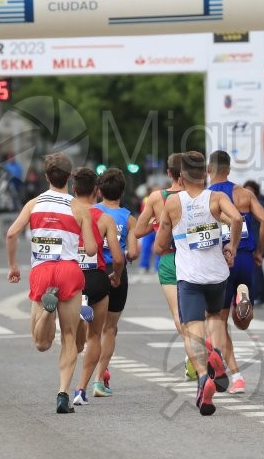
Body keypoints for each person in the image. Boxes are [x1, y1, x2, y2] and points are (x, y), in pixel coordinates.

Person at [5, 152, 98, 414]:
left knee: (41, 343)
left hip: (42, 271)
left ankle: (48, 311)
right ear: (69, 178)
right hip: (69, 271)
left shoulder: (33, 204)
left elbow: (11, 233)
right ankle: (62, 395)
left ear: (46, 177)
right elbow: (91, 249)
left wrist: (13, 266)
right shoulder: (79, 208)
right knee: (69, 338)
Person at [153, 151, 243, 416]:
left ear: (180, 177)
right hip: (217, 275)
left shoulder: (172, 204)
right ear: (205, 173)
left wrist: (169, 239)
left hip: (189, 277)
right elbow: (237, 219)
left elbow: (159, 245)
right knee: (215, 317)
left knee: (192, 328)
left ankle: (204, 376)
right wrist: (232, 247)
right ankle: (216, 352)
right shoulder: (217, 198)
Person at [207, 150, 264, 394]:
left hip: (220, 260)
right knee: (243, 323)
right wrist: (259, 251)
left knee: (219, 322)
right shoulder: (244, 194)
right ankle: (242, 297)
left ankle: (237, 377)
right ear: (229, 169)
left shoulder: (206, 197)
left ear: (208, 170)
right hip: (245, 258)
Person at [134, 154, 194, 378]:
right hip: (196, 258)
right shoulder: (198, 195)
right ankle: (199, 354)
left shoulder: (157, 198)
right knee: (201, 314)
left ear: (169, 173)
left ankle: (193, 356)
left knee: (179, 314)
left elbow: (139, 231)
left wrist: (156, 223)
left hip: (169, 258)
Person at [70, 168, 125, 407]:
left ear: (74, 189)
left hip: (71, 276)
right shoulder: (105, 219)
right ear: (96, 190)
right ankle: (82, 389)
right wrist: (116, 275)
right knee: (95, 336)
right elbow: (119, 257)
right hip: (97, 277)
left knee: (71, 337)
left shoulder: (66, 213)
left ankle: (65, 384)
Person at [92, 168, 139, 397]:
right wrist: (126, 254)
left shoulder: (91, 212)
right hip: (117, 272)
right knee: (110, 328)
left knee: (93, 328)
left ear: (99, 191)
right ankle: (99, 379)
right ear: (122, 192)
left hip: (92, 271)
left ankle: (84, 375)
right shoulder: (129, 218)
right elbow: (135, 252)